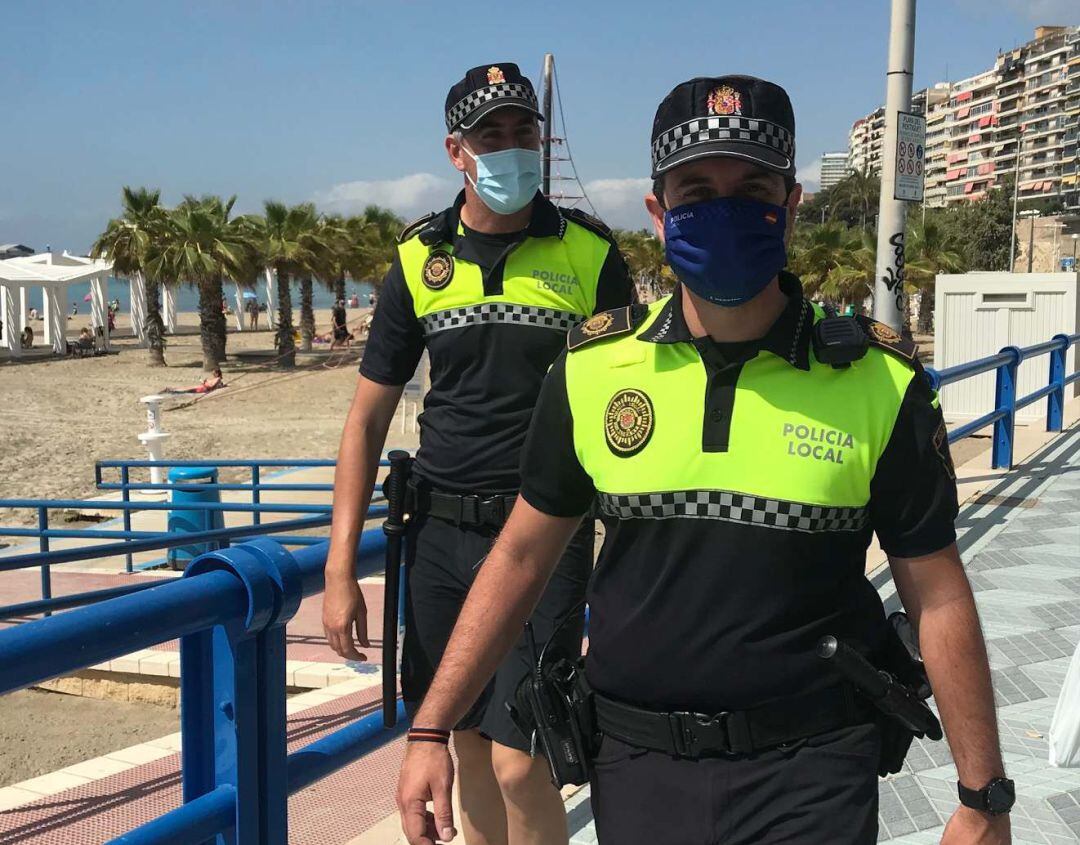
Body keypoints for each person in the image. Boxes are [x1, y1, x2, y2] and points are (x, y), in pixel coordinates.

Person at [396, 76, 1012, 845]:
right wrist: (432, 727)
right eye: (696, 190)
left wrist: (983, 795)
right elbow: (521, 555)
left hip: (812, 769)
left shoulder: (878, 383)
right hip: (638, 766)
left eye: (751, 186)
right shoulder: (592, 370)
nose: (723, 209)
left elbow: (937, 587)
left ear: (790, 205)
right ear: (658, 214)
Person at [323, 62, 635, 845]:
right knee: (458, 740)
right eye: (488, 135)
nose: (509, 149)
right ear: (455, 150)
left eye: (522, 131)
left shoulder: (591, 255)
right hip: (437, 534)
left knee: (523, 758)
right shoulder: (416, 260)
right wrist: (337, 569)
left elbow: (633, 413)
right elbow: (366, 418)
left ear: (541, 138)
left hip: (546, 534)